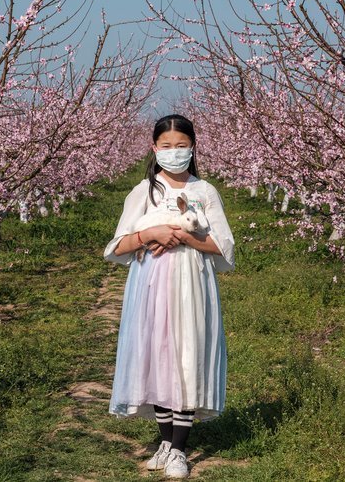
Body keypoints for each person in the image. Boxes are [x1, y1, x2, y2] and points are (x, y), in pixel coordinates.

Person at [103, 114, 235, 479]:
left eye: (181, 146)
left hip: (192, 283)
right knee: (157, 356)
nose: (174, 153)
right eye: (166, 146)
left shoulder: (204, 191)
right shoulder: (143, 192)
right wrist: (153, 233)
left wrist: (184, 237)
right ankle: (164, 441)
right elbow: (116, 247)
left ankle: (179, 449)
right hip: (150, 284)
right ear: (154, 148)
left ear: (192, 148)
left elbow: (224, 247)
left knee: (187, 354)